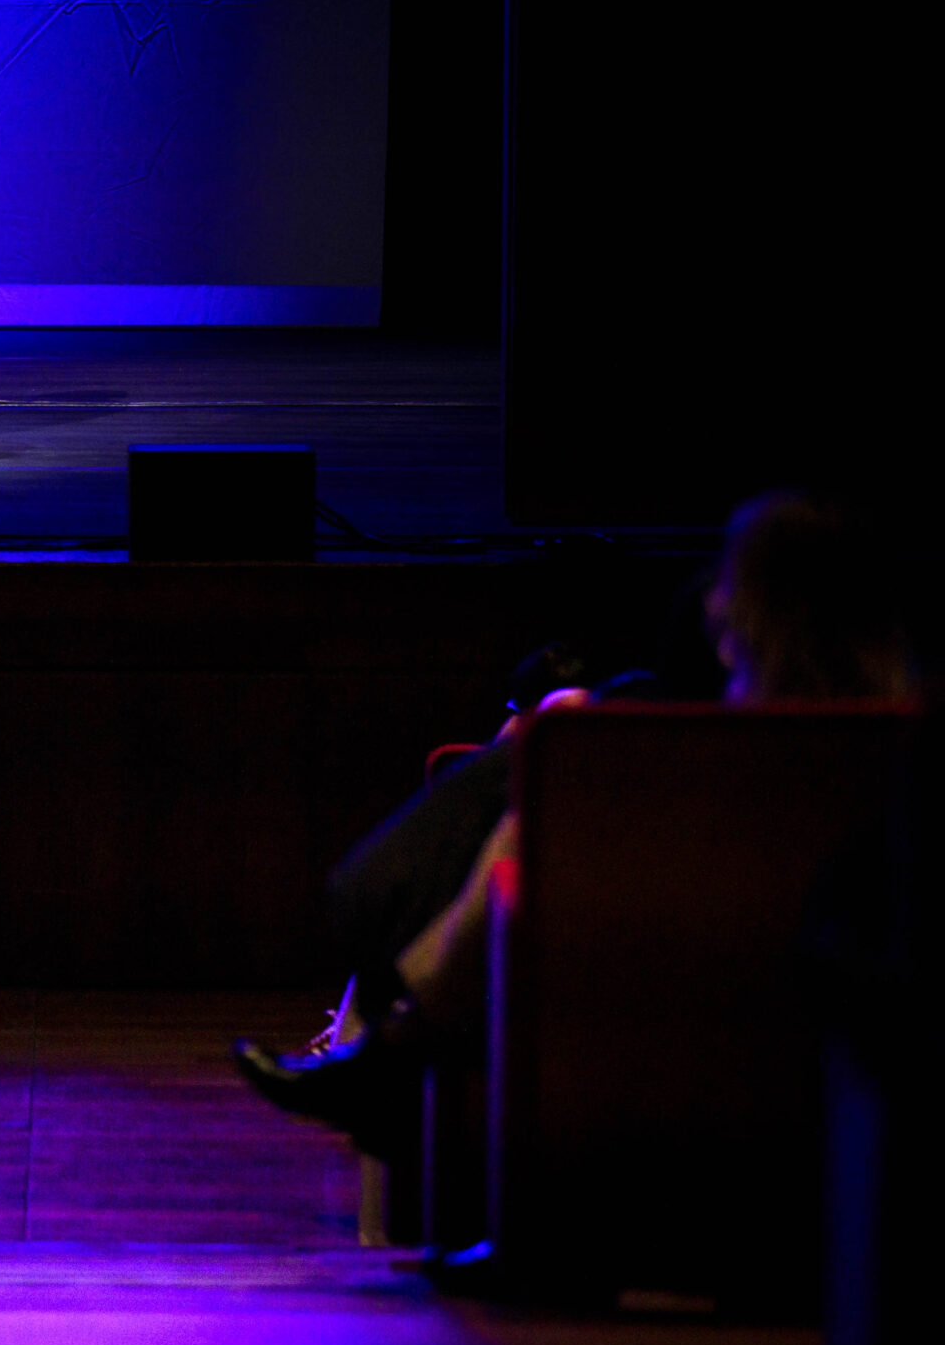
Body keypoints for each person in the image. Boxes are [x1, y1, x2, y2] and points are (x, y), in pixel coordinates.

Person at [234, 492, 921, 1150]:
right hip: (818, 983)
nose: (716, 603)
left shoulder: (725, 747)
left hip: (680, 971)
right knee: (537, 785)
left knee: (520, 839)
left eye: (730, 585)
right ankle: (386, 1038)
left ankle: (389, 1036)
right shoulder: (907, 738)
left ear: (759, 610)